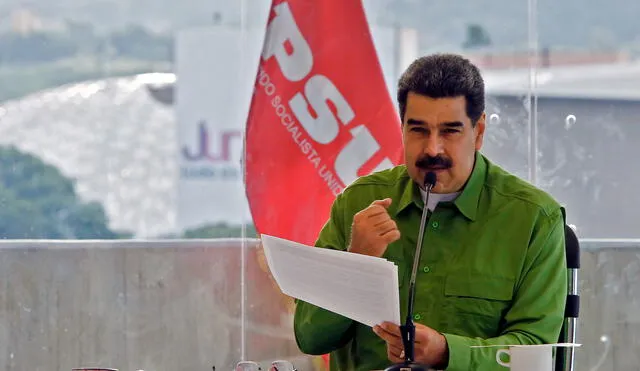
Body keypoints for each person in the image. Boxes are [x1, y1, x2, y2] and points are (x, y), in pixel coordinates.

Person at [293, 53, 568, 371]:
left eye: (450, 131)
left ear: (478, 132)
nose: (432, 149)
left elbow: (536, 350)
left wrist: (448, 352)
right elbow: (310, 338)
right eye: (418, 130)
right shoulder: (358, 203)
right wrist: (355, 262)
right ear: (402, 128)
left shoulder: (534, 218)